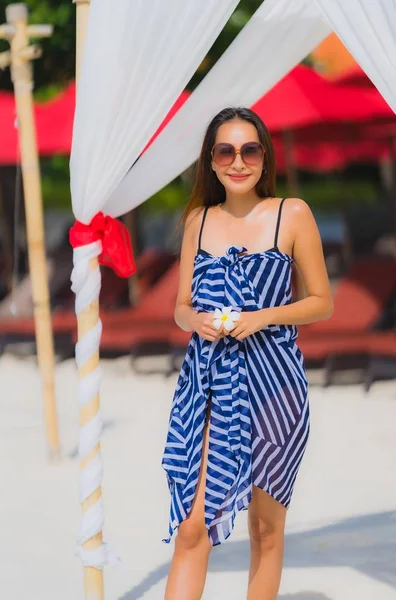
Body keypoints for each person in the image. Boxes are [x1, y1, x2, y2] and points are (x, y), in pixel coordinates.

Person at [162, 107, 333, 600]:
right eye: (226, 150)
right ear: (211, 161)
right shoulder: (198, 220)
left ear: (264, 156)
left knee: (265, 529)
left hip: (276, 384)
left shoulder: (292, 213)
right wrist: (194, 321)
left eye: (249, 149)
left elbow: (321, 302)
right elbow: (181, 306)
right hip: (211, 382)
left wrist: (261, 317)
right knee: (194, 526)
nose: (239, 161)